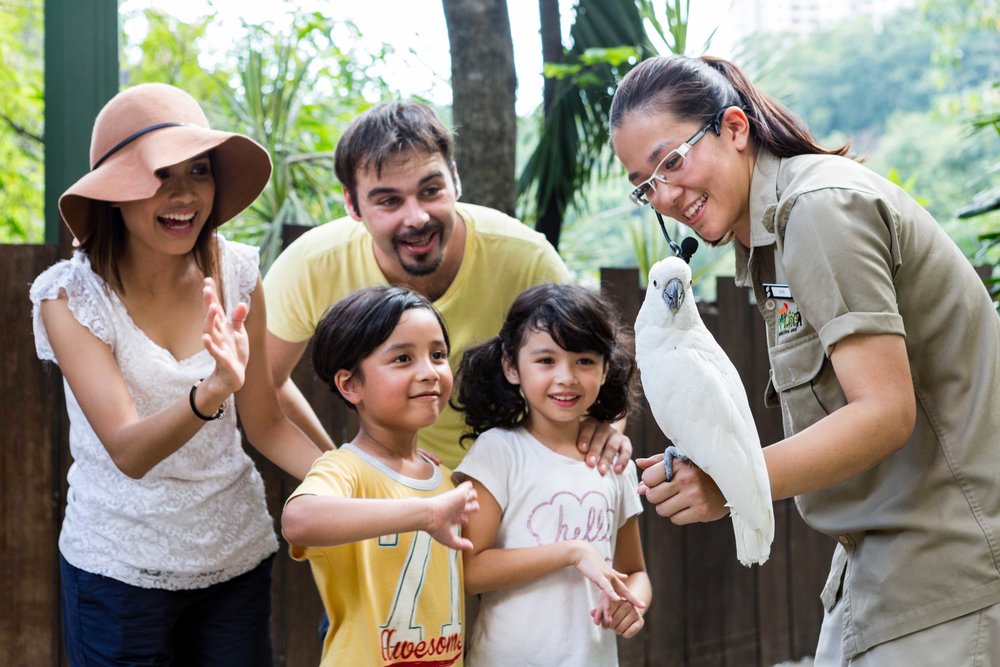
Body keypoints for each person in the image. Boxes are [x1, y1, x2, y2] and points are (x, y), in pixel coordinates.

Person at [609, 54, 1000, 665]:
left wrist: (731, 484)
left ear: (734, 129)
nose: (664, 194)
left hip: (947, 577)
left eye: (671, 161)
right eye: (644, 185)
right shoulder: (771, 240)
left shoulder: (817, 210)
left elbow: (885, 412)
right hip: (877, 574)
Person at [28, 83, 324, 665]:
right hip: (117, 572)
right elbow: (128, 451)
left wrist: (364, 487)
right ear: (115, 193)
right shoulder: (68, 297)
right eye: (162, 175)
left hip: (233, 558)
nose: (185, 194)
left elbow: (266, 425)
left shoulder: (237, 270)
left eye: (200, 171)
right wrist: (213, 390)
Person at [263, 100, 631, 473]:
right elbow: (264, 390)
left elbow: (600, 361)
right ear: (352, 204)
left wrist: (606, 428)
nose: (417, 217)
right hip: (393, 502)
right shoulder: (312, 264)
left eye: (430, 190)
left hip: (515, 486)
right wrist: (345, 479)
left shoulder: (525, 257)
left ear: (454, 179)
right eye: (389, 201)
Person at [452, 283, 652, 665]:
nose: (567, 377)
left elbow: (634, 571)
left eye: (585, 361)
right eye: (546, 361)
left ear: (606, 369)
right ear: (512, 367)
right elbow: (467, 569)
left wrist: (634, 603)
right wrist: (571, 552)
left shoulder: (611, 461)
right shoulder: (498, 452)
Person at [281, 286, 479, 666]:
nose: (429, 372)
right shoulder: (345, 468)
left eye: (437, 355)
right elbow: (298, 520)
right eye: (403, 358)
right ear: (350, 385)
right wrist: (425, 513)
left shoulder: (446, 480)